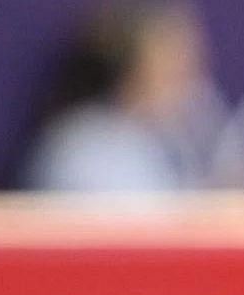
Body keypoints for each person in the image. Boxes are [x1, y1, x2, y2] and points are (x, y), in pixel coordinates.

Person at [18, 0, 218, 193]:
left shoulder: (181, 144)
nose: (192, 85)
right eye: (173, 70)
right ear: (133, 73)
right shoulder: (81, 151)